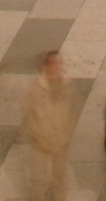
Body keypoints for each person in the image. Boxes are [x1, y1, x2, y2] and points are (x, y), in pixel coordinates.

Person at [21, 51, 78, 201]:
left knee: (59, 178)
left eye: (60, 64)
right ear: (47, 66)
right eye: (55, 64)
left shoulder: (68, 87)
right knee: (39, 180)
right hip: (40, 142)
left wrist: (67, 134)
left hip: (60, 141)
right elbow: (28, 116)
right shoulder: (36, 88)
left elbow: (74, 112)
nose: (59, 67)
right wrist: (38, 135)